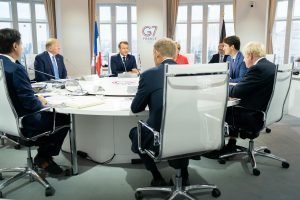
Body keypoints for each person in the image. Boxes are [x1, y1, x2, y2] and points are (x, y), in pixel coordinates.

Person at [0, 28, 70, 175]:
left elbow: (12, 93)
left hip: (5, 121)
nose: (22, 47)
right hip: (24, 122)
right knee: (63, 117)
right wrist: (43, 102)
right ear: (14, 46)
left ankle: (43, 154)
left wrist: (34, 96)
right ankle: (44, 157)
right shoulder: (16, 68)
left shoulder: (3, 65)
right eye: (21, 44)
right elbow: (31, 105)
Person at [129, 38, 190, 187]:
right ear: (175, 54)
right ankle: (184, 175)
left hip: (160, 138)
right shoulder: (189, 72)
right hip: (190, 135)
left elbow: (136, 108)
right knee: (180, 129)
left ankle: (156, 177)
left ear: (157, 54)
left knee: (135, 133)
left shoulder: (149, 75)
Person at [224, 41, 276, 152]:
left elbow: (235, 92)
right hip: (264, 111)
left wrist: (222, 88)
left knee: (224, 109)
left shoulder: (257, 69)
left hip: (253, 115)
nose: (243, 60)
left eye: (245, 57)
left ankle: (223, 145)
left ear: (251, 56)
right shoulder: (271, 66)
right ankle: (232, 141)